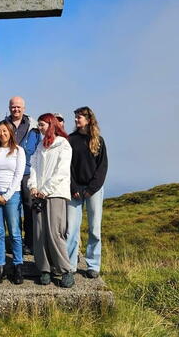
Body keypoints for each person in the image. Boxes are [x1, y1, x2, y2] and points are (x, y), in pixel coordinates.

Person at [27, 113, 74, 288]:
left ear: (51, 125)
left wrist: (45, 190)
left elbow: (61, 172)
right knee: (39, 233)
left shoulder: (63, 145)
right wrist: (33, 186)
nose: (40, 129)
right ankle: (44, 269)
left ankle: (65, 270)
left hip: (55, 194)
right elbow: (33, 167)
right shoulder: (40, 146)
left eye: (42, 125)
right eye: (38, 125)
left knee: (55, 233)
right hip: (38, 194)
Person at [66, 106, 108, 279]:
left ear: (88, 119)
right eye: (75, 117)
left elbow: (102, 168)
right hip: (74, 190)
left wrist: (91, 190)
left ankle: (93, 265)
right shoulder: (70, 140)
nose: (76, 120)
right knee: (71, 229)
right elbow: (67, 167)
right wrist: (74, 188)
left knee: (94, 229)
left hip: (94, 191)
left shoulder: (98, 140)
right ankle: (70, 265)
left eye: (79, 117)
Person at [0, 121, 26, 284]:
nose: (1, 134)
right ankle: (0, 266)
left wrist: (7, 195)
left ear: (10, 132)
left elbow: (19, 174)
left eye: (5, 131)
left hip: (12, 195)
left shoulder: (18, 151)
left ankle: (17, 266)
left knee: (14, 232)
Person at [6, 96, 38, 254]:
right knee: (13, 210)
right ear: (9, 108)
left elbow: (38, 151)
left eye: (19, 107)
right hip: (10, 173)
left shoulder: (34, 127)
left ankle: (30, 243)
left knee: (29, 208)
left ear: (24, 108)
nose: (16, 109)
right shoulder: (4, 125)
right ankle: (15, 243)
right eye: (13, 107)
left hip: (27, 172)